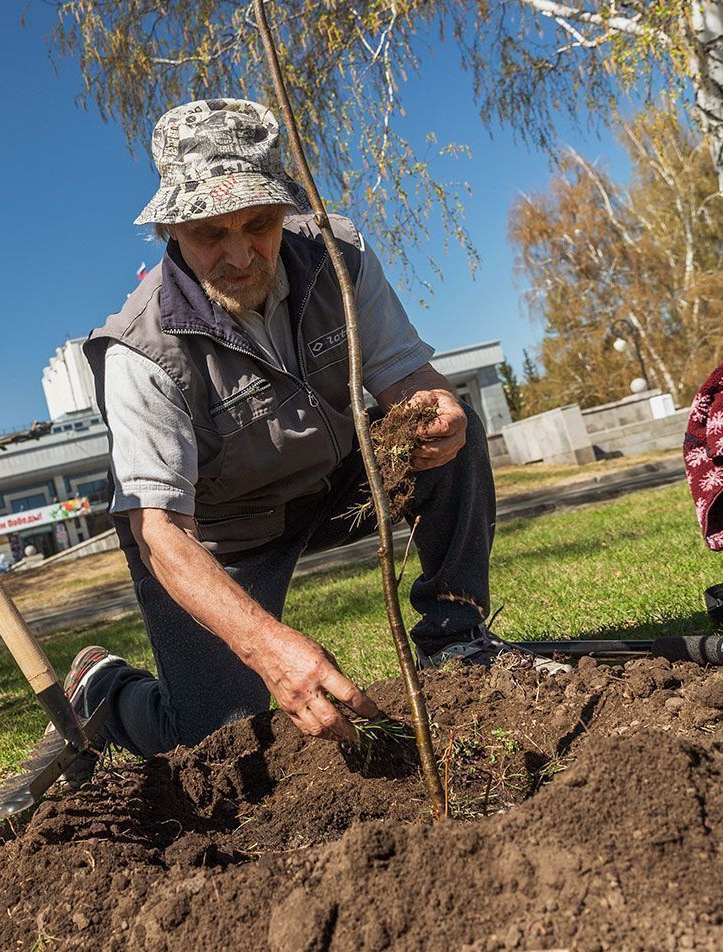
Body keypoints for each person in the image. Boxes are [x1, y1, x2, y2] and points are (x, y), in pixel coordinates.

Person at [68, 98, 504, 759]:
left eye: (258, 224)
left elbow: (406, 377)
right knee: (217, 740)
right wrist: (267, 647)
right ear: (170, 230)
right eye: (210, 234)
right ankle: (104, 687)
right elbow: (161, 533)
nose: (241, 255)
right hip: (222, 541)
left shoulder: (338, 257)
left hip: (339, 485)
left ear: (283, 211)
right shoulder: (140, 351)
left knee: (447, 430)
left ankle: (457, 641)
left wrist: (431, 403)